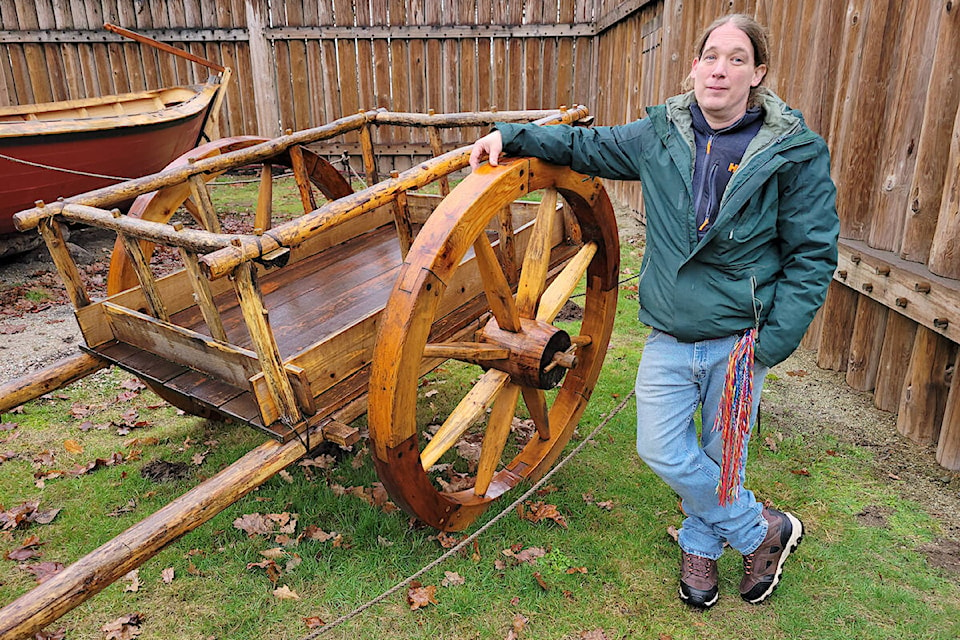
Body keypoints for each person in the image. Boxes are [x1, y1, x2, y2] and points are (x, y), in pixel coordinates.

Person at [469, 14, 838, 608]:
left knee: (723, 454)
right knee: (662, 449)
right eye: (710, 55)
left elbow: (813, 255)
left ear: (758, 74)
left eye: (737, 58)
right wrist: (511, 136)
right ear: (694, 65)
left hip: (742, 338)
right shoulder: (660, 135)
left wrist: (771, 343)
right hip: (670, 331)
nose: (720, 69)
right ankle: (759, 529)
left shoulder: (793, 153)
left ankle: (700, 543)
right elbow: (585, 145)